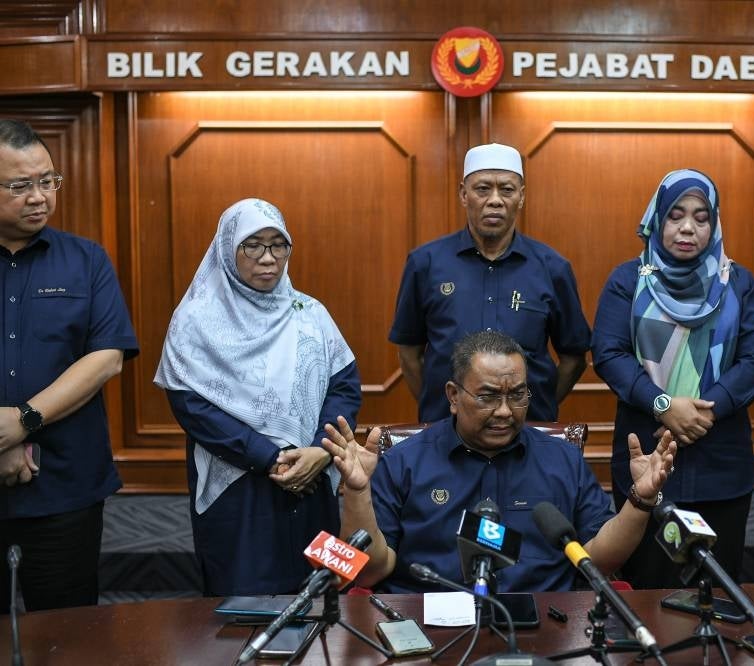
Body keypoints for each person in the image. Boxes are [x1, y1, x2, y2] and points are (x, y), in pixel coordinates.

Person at [323, 330, 676, 593]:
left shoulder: (561, 459)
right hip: (428, 622)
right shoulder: (405, 462)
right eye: (489, 396)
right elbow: (370, 572)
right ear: (453, 396)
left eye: (517, 395)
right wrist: (357, 490)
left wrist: (640, 500)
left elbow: (598, 559)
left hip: (543, 624)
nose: (505, 411)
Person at [154, 198, 360, 596]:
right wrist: (269, 458)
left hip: (311, 476)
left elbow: (345, 385)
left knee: (319, 591)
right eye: (253, 245)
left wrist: (320, 449)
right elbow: (191, 406)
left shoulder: (309, 314)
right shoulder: (196, 319)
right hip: (240, 483)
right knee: (242, 597)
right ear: (227, 250)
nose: (268, 258)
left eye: (278, 245)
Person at [591, 168, 754, 589]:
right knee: (648, 586)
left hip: (720, 461)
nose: (688, 227)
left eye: (700, 216)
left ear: (714, 223)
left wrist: (706, 410)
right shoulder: (628, 280)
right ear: (657, 218)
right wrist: (664, 405)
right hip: (646, 460)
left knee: (718, 589)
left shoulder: (738, 282)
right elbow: (608, 353)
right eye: (675, 215)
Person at [0, 119, 138, 612]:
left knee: (68, 636)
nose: (39, 196)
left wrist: (22, 422)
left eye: (48, 181)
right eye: (20, 185)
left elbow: (106, 358)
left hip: (65, 488)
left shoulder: (86, 260)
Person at [389, 143, 590, 423]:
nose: (495, 200)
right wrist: (446, 406)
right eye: (483, 189)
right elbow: (409, 353)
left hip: (528, 431)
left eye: (506, 190)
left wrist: (537, 404)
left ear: (521, 196)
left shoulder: (552, 268)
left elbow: (574, 358)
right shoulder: (425, 263)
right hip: (445, 431)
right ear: (463, 194)